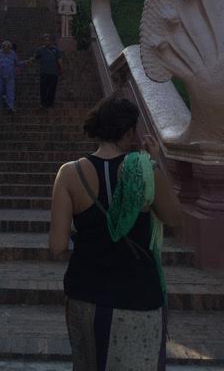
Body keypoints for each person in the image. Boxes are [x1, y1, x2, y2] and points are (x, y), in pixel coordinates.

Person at [50, 97, 182, 371]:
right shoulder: (144, 169)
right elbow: (173, 218)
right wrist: (154, 163)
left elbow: (57, 246)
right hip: (138, 294)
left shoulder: (69, 173)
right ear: (128, 132)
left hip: (85, 294)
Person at [0, 40, 27, 113]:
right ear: (2, 47)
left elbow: (17, 63)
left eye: (8, 47)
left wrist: (26, 62)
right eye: (5, 47)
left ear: (10, 47)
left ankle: (11, 106)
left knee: (10, 91)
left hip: (10, 76)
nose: (6, 49)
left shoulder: (13, 54)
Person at [31, 34, 63, 109]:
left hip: (53, 72)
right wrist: (30, 60)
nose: (46, 42)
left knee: (52, 88)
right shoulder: (40, 50)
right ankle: (43, 103)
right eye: (45, 40)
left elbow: (59, 60)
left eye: (48, 40)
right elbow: (35, 57)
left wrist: (61, 69)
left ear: (51, 41)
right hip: (44, 72)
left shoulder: (56, 50)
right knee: (43, 88)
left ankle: (50, 103)